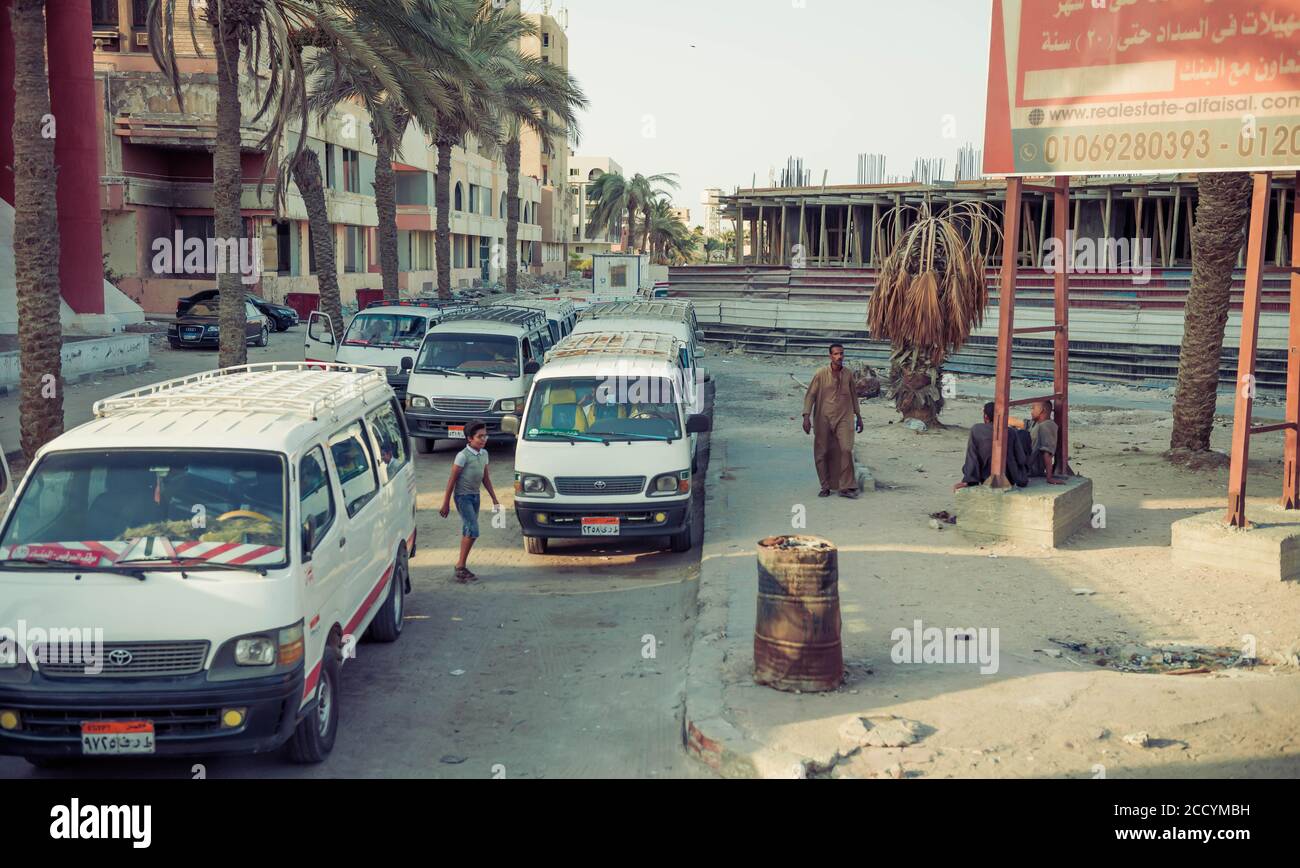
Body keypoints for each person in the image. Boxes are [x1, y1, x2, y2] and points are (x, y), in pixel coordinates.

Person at [439, 421, 501, 582]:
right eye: (479, 436)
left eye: (485, 436)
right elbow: (452, 480)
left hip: (475, 496)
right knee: (473, 530)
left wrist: (494, 498)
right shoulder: (462, 456)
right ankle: (460, 566)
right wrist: (446, 503)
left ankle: (461, 567)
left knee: (469, 530)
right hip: (462, 497)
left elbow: (485, 477)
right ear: (469, 439)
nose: (483, 439)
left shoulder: (484, 454)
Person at [802, 343, 864, 498]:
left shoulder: (848, 374)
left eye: (841, 353)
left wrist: (859, 416)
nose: (839, 356)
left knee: (846, 449)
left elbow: (853, 396)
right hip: (823, 418)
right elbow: (810, 395)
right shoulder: (821, 374)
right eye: (836, 354)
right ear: (830, 356)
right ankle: (825, 486)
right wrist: (806, 416)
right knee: (822, 452)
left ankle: (846, 486)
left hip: (844, 417)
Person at [953, 402, 1033, 490]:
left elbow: (972, 457)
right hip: (1010, 477)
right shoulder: (1011, 432)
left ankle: (972, 479)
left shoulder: (976, 430)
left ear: (986, 417)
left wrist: (968, 480)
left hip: (985, 476)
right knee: (1024, 435)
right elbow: (1021, 459)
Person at [1013, 399, 1065, 484]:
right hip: (1025, 463)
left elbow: (1047, 453)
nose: (1031, 412)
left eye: (1033, 408)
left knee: (1020, 434)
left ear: (1041, 410)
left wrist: (1049, 478)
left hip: (1031, 468)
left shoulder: (1047, 426)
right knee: (1012, 431)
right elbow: (1017, 422)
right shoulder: (1036, 423)